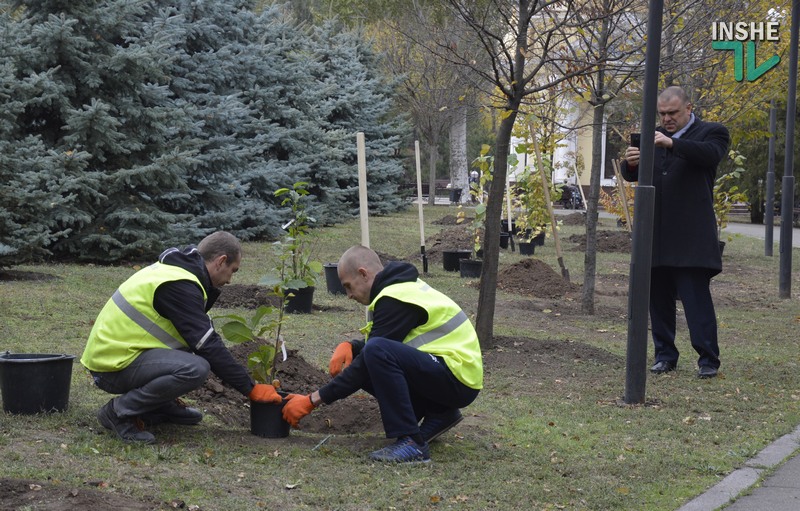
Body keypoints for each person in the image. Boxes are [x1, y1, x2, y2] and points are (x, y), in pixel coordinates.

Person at [281, 245, 483, 463]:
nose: (348, 295)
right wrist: (351, 346)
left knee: (374, 353)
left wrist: (312, 400)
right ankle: (439, 412)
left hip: (457, 377)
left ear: (363, 273)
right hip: (448, 374)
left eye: (348, 286)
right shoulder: (398, 288)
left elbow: (375, 354)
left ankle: (412, 443)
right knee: (372, 352)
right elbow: (391, 341)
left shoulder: (396, 298)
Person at [81, 231, 282, 443]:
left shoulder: (178, 272)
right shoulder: (180, 285)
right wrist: (250, 388)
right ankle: (118, 412)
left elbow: (198, 336)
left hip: (122, 355)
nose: (230, 280)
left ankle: (158, 405)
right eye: (233, 271)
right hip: (110, 366)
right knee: (196, 368)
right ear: (221, 261)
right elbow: (207, 345)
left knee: (190, 352)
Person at [620, 86, 730, 379]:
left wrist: (670, 143)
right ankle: (665, 356)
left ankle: (708, 359)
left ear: (689, 108)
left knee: (696, 302)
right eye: (663, 114)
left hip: (692, 237)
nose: (667, 119)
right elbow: (633, 174)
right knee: (658, 301)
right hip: (655, 235)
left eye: (673, 113)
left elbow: (709, 156)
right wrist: (630, 163)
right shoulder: (652, 136)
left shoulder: (712, 132)